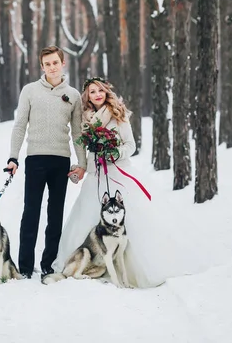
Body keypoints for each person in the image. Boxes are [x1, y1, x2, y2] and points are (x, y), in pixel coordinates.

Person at [53, 77, 207, 288]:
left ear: (106, 92)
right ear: (86, 96)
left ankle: (130, 268)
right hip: (96, 176)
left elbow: (131, 145)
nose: (97, 94)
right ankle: (88, 264)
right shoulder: (85, 119)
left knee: (132, 220)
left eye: (100, 90)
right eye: (92, 91)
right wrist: (84, 164)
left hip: (118, 172)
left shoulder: (118, 115)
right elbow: (83, 147)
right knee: (87, 218)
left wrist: (115, 152)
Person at [6, 46, 87, 279]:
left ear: (63, 64)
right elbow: (20, 125)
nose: (51, 67)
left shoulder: (72, 95)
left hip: (61, 161)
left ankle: (49, 263)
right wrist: (13, 157)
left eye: (55, 62)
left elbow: (77, 133)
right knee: (30, 212)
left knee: (55, 214)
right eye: (47, 64)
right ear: (42, 67)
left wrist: (81, 163)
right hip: (35, 160)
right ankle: (24, 265)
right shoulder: (30, 91)